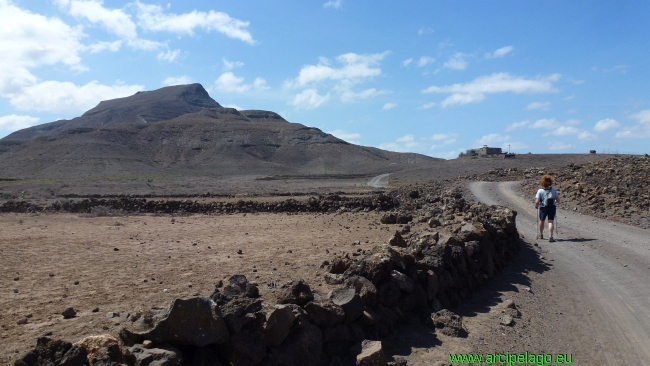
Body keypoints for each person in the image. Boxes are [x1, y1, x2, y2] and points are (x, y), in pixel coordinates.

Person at [535, 175, 560, 242]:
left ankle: (541, 234)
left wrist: (536, 205)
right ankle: (550, 236)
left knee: (542, 220)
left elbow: (537, 201)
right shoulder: (553, 190)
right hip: (552, 207)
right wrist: (554, 201)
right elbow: (558, 200)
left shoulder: (540, 191)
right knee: (551, 221)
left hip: (543, 207)